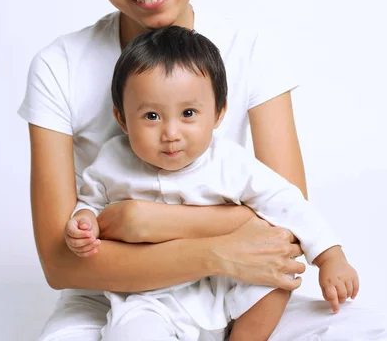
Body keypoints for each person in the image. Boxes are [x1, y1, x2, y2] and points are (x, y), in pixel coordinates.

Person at [18, 0, 387, 340]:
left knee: (363, 329)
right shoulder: (59, 66)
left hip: (237, 279)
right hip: (115, 290)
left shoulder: (251, 50)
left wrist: (139, 220)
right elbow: (62, 264)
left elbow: (284, 226)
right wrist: (214, 242)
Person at [65, 25, 359, 341]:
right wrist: (83, 224)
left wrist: (330, 256)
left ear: (218, 113)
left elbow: (286, 202)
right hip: (149, 295)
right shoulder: (112, 160)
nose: (171, 133)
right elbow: (90, 203)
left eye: (188, 113)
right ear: (122, 118)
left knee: (276, 279)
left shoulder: (229, 162)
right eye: (152, 116)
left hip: (227, 280)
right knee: (132, 332)